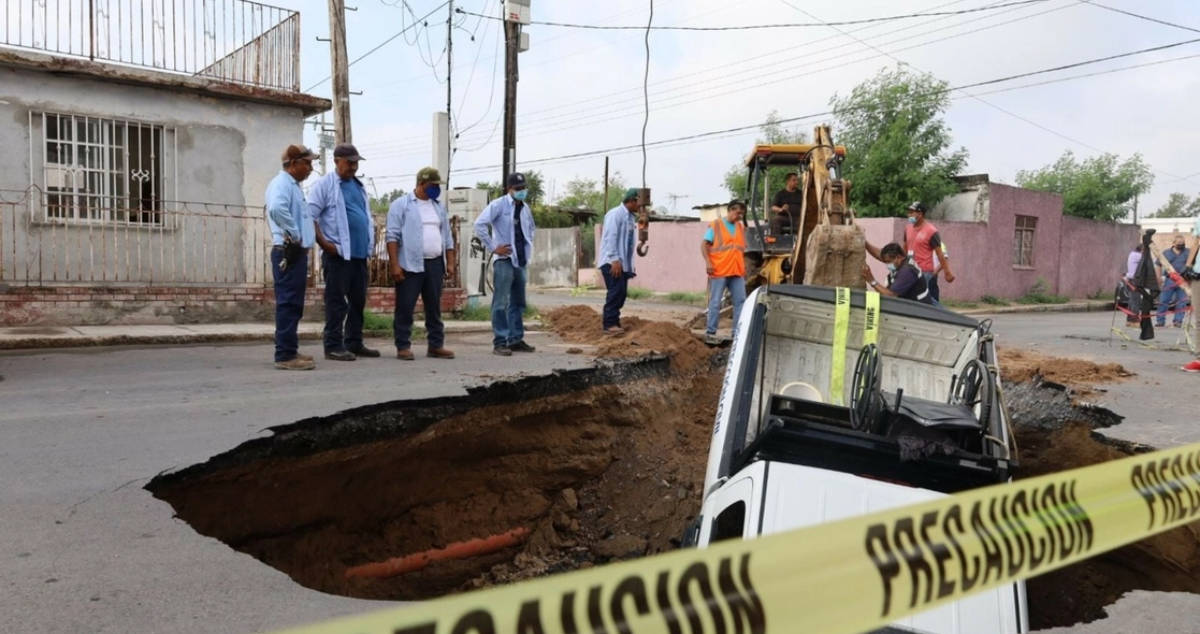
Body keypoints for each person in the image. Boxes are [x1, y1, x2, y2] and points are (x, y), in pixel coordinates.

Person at [309, 143, 380, 362]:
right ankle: (332, 345)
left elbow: (364, 217)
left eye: (356, 163)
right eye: (349, 163)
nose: (353, 167)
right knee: (337, 302)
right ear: (336, 161)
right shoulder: (325, 185)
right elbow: (309, 216)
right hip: (338, 255)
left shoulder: (359, 187)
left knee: (358, 302)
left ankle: (354, 342)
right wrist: (325, 244)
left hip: (359, 256)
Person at [386, 167, 457, 361]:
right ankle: (403, 346)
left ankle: (435, 345)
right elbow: (392, 236)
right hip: (409, 265)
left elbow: (448, 238)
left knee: (434, 307)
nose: (436, 188)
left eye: (437, 185)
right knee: (405, 306)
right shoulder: (402, 205)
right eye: (432, 185)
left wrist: (450, 263)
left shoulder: (438, 207)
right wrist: (395, 265)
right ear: (420, 184)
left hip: (435, 264)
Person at [265, 144, 319, 370]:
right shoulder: (282, 184)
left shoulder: (292, 186)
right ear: (294, 163)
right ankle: (285, 356)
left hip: (295, 252)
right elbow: (276, 209)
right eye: (307, 163)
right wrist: (295, 234)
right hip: (288, 251)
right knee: (288, 303)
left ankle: (290, 349)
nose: (311, 168)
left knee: (294, 304)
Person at [474, 172, 537, 356]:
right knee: (500, 301)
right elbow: (479, 224)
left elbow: (531, 228)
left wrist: (527, 246)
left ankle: (516, 339)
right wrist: (494, 247)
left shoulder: (525, 208)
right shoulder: (498, 205)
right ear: (509, 189)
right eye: (518, 189)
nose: (521, 191)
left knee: (518, 301)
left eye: (523, 188)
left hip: (520, 260)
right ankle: (500, 341)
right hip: (504, 260)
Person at [701, 201, 748, 345]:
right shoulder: (716, 225)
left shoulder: (740, 227)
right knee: (715, 302)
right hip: (720, 269)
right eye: (738, 213)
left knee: (740, 301)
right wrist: (708, 263)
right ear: (730, 210)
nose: (740, 217)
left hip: (736, 271)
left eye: (742, 214)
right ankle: (711, 332)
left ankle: (736, 333)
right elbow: (704, 245)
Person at [597, 188, 640, 334]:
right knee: (615, 293)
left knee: (621, 294)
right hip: (612, 262)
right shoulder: (615, 214)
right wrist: (614, 259)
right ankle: (609, 324)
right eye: (639, 203)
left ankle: (614, 322)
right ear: (632, 200)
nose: (640, 207)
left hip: (623, 263)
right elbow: (610, 237)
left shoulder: (630, 217)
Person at [894, 201, 954, 302]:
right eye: (909, 212)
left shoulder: (931, 231)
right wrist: (900, 265)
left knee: (925, 299)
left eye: (912, 212)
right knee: (914, 298)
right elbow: (905, 248)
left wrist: (947, 272)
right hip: (911, 270)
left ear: (920, 214)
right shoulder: (908, 228)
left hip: (925, 272)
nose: (909, 215)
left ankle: (943, 316)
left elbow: (940, 254)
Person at [862, 243, 934, 305]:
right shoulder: (903, 259)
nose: (887, 264)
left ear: (898, 257)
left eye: (888, 262)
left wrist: (872, 281)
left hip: (919, 308)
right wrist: (865, 243)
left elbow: (891, 296)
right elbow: (879, 254)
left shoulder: (907, 272)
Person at [1155, 234, 1190, 328]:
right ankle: (1160, 321)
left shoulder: (1188, 252)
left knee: (1182, 302)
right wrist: (1158, 278)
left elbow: (1193, 264)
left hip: (1183, 280)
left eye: (1183, 243)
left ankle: (1178, 321)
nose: (1181, 245)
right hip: (1169, 280)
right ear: (1173, 243)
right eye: (1179, 243)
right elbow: (1158, 264)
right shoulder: (1166, 253)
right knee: (1163, 300)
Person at [1124, 243, 1144, 326]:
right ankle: (1135, 321)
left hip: (1130, 279)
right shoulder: (1138, 256)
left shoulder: (1132, 254)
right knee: (1136, 301)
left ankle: (1129, 320)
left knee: (1132, 301)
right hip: (1135, 280)